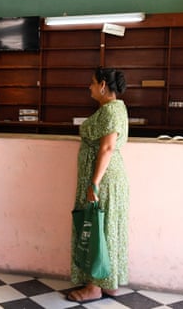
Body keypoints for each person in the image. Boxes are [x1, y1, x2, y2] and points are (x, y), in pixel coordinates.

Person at [67, 67, 129, 303]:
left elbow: (107, 148)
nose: (89, 87)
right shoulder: (111, 109)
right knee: (106, 228)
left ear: (103, 85)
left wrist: (94, 183)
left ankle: (93, 287)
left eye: (92, 83)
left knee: (96, 229)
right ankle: (108, 281)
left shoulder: (112, 110)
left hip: (103, 180)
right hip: (105, 178)